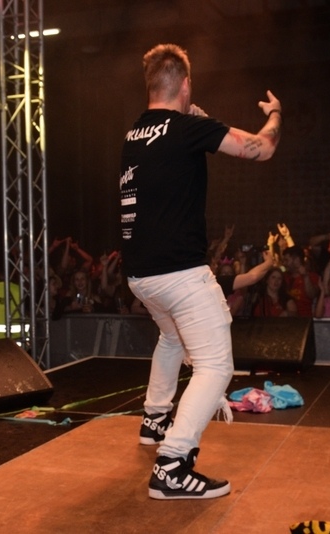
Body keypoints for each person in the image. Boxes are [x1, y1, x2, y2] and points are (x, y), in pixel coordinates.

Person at [120, 43, 281, 500]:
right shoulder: (187, 129)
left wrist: (197, 119)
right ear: (186, 85)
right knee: (215, 365)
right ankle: (172, 465)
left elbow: (173, 151)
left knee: (172, 339)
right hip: (179, 274)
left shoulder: (133, 134)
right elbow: (263, 148)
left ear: (152, 85)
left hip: (141, 275)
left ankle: (154, 420)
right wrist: (276, 113)